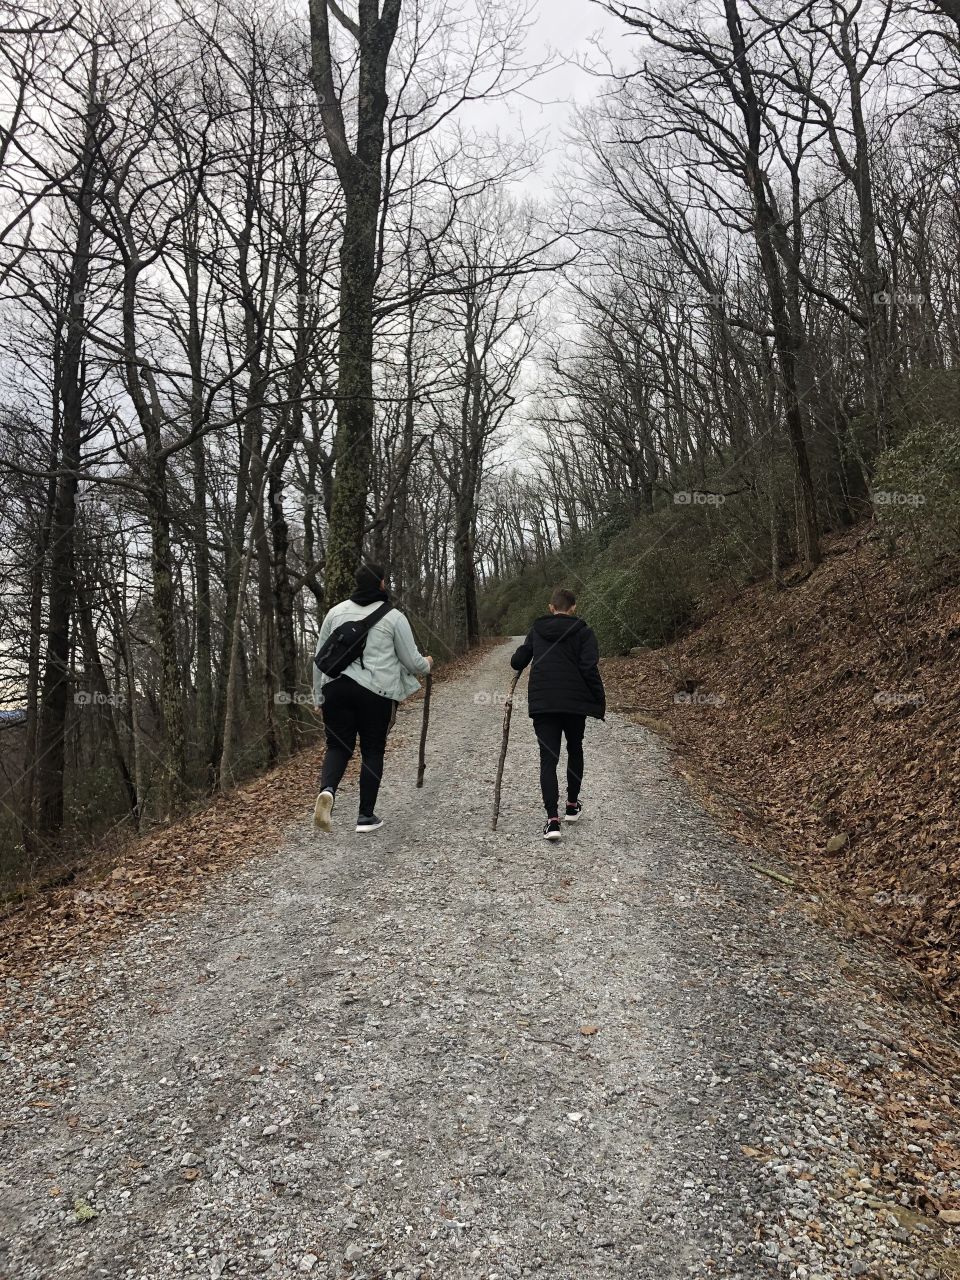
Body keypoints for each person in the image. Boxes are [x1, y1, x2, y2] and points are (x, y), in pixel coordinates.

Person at [312, 562, 432, 833]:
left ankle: (328, 791)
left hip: (335, 690)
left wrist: (318, 695)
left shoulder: (335, 613)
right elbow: (412, 662)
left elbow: (319, 660)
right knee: (372, 750)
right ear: (381, 583)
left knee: (337, 747)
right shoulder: (393, 617)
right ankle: (365, 816)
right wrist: (427, 663)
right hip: (375, 694)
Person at [510, 587, 605, 841]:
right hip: (574, 704)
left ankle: (552, 821)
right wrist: (598, 700)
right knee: (575, 749)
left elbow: (518, 662)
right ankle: (572, 806)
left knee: (548, 759)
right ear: (573, 607)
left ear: (551, 607)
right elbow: (589, 668)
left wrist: (521, 654)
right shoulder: (584, 632)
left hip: (544, 703)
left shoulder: (537, 630)